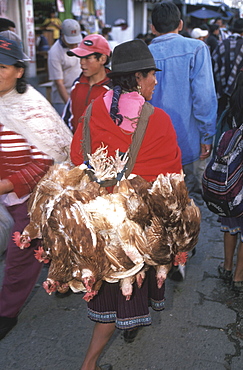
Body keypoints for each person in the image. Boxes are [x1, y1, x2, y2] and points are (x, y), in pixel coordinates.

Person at [71, 39, 182, 370]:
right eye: (151, 75)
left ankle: (128, 324)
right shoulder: (157, 120)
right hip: (136, 228)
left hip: (100, 224)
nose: (156, 81)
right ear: (137, 78)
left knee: (115, 287)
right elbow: (171, 178)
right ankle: (89, 363)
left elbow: (77, 160)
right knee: (127, 286)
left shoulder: (93, 111)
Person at [0, 36, 73, 340]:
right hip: (8, 193)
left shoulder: (30, 106)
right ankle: (64, 275)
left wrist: (5, 183)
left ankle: (6, 313)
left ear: (19, 71)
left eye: (2, 66)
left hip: (34, 195)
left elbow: (46, 159)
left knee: (21, 252)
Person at [148, 2, 217, 208]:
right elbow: (204, 97)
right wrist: (207, 135)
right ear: (180, 24)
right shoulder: (196, 49)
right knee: (186, 205)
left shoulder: (144, 53)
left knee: (159, 205)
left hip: (152, 145)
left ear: (153, 27)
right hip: (187, 140)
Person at [216, 70, 243, 293]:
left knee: (230, 223)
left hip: (231, 182)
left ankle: (226, 266)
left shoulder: (229, 112)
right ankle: (238, 276)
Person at [63, 34, 112, 133]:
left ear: (102, 59)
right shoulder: (77, 84)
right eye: (80, 58)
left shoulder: (114, 90)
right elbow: (67, 117)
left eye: (87, 58)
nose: (82, 63)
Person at [48, 18, 82, 116]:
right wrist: (69, 106)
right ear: (62, 35)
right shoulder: (55, 53)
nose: (74, 45)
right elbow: (59, 83)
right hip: (63, 99)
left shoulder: (80, 45)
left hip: (79, 95)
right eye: (71, 42)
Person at [212, 18, 243, 119]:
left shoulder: (222, 44)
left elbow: (214, 64)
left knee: (221, 117)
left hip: (221, 88)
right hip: (240, 92)